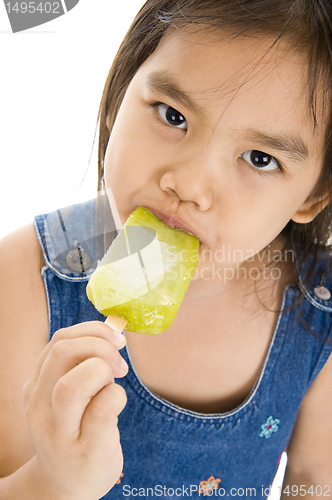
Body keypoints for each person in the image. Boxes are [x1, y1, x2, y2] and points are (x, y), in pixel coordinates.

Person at [0, 0, 332, 498]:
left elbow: (313, 484)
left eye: (260, 158)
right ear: (117, 96)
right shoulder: (24, 278)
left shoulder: (318, 307)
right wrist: (51, 480)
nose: (190, 185)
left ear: (312, 195)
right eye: (172, 115)